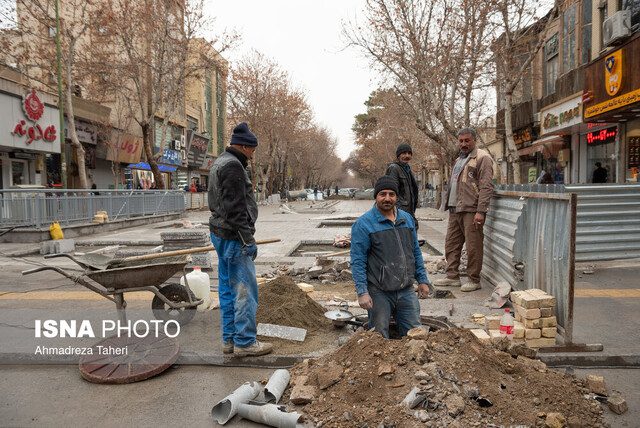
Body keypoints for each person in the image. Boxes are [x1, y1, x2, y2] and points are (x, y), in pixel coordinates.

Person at [208, 122, 272, 357]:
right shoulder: (234, 166)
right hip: (234, 238)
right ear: (244, 147)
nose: (253, 156)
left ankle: (229, 340)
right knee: (244, 289)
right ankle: (245, 342)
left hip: (220, 234)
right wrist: (247, 240)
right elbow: (235, 209)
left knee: (226, 289)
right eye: (252, 151)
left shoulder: (221, 161)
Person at [350, 176, 431, 339]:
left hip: (406, 290)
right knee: (378, 339)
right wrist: (362, 292)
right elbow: (358, 261)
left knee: (415, 336)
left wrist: (422, 280)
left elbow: (415, 251)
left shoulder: (406, 219)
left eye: (391, 194)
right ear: (376, 196)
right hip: (379, 292)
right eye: (383, 194)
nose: (387, 198)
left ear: (396, 197)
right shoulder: (364, 224)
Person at [433, 127, 494, 292]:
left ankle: (474, 280)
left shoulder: (482, 158)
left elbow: (487, 186)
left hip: (471, 210)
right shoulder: (459, 159)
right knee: (451, 243)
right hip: (455, 209)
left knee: (473, 246)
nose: (463, 144)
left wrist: (481, 211)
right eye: (461, 141)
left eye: (467, 140)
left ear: (474, 140)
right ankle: (452, 277)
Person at [386, 142, 420, 229]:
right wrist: (398, 211)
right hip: (400, 214)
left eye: (409, 153)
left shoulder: (407, 169)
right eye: (404, 153)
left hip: (409, 212)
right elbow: (391, 191)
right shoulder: (394, 168)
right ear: (398, 155)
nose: (407, 156)